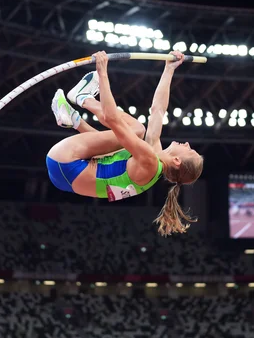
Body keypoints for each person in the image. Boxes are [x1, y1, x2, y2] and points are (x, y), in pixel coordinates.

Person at [45, 51, 204, 236]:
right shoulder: (152, 162)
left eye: (189, 150)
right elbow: (158, 110)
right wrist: (169, 69)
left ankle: (83, 98)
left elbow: (112, 119)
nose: (186, 143)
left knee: (136, 130)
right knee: (120, 148)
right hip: (64, 176)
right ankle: (74, 120)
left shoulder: (150, 161)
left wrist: (102, 72)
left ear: (177, 160)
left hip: (66, 161)